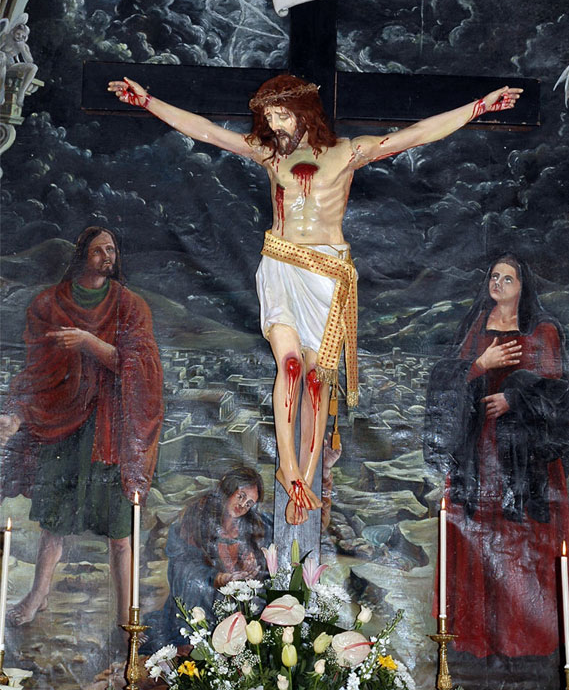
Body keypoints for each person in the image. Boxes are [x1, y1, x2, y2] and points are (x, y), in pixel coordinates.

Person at [108, 73, 522, 524]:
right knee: (289, 365)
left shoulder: (348, 152)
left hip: (325, 273)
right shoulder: (269, 153)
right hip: (281, 263)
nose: (275, 125)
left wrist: (479, 106)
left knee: (315, 379)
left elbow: (417, 134)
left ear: (304, 113)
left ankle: (307, 474)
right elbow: (207, 132)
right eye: (269, 117)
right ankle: (288, 469)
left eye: (281, 116)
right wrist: (148, 101)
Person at [0, 226, 164, 626]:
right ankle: (38, 595)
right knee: (54, 523)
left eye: (112, 249)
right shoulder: (50, 305)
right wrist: (16, 414)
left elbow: (141, 368)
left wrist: (88, 342)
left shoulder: (130, 306)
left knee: (120, 532)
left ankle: (127, 618)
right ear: (81, 257)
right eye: (98, 250)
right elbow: (39, 371)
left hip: (111, 431)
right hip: (64, 428)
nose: (108, 256)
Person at [424, 254, 569, 659]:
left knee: (520, 543)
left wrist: (513, 398)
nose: (498, 284)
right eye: (494, 277)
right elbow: (448, 379)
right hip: (479, 454)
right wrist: (481, 364)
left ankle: (524, 644)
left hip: (526, 461)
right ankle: (480, 642)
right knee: (480, 541)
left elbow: (558, 391)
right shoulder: (479, 325)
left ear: (523, 286)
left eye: (508, 278)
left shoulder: (543, 331)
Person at [145, 466, 271, 651]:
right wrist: (217, 578)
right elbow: (182, 567)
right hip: (200, 606)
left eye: (249, 503)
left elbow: (265, 569)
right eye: (241, 496)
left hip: (236, 611)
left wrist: (253, 568)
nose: (242, 505)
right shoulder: (197, 516)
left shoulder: (255, 525)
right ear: (228, 488)